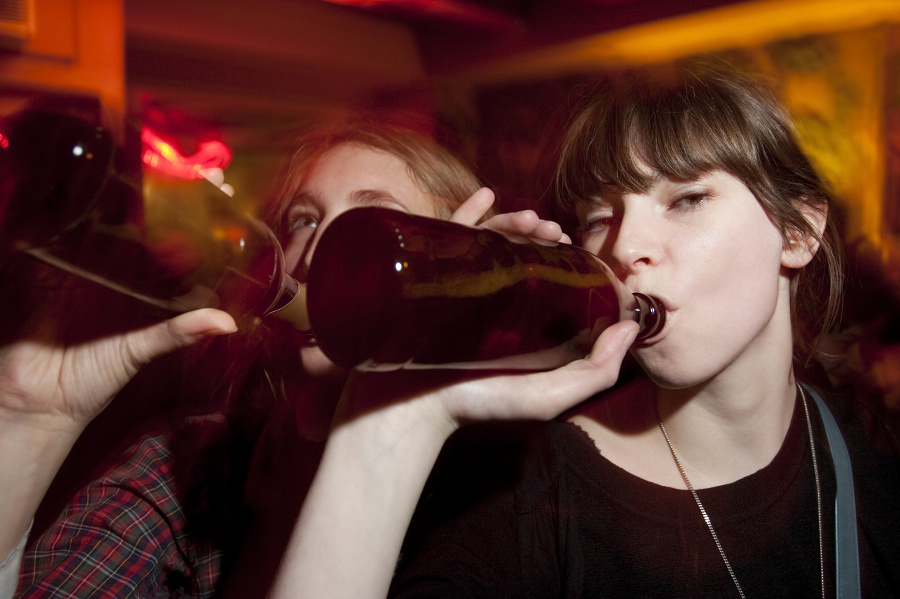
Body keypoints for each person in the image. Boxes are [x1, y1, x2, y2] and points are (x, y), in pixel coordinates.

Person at [268, 63, 900, 598]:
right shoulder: (524, 498)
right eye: (601, 215)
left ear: (798, 232)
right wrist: (396, 419)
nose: (626, 246)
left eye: (686, 199)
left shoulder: (872, 447)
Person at [0, 117, 568, 598]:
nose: (320, 251)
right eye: (303, 219)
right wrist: (30, 420)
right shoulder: (185, 463)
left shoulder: (515, 497)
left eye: (371, 222)